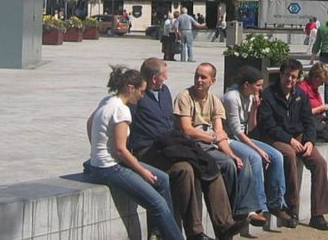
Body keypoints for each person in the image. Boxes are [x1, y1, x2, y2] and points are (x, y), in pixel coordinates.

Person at [128, 58, 242, 240]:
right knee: (185, 169)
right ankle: (195, 232)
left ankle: (224, 224)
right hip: (149, 150)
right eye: (163, 76)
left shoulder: (164, 92)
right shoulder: (137, 97)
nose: (166, 79)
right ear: (155, 78)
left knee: (208, 163)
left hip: (171, 145)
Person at [83, 65, 183, 240]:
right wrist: (143, 171)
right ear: (131, 88)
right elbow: (121, 150)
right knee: (158, 204)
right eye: (141, 91)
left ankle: (159, 232)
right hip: (110, 168)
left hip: (102, 163)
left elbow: (89, 123)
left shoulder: (107, 101)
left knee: (163, 179)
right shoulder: (122, 110)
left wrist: (95, 152)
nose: (142, 95)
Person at [173, 63, 265, 227]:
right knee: (228, 164)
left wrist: (231, 154)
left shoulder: (214, 100)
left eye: (203, 77)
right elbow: (188, 130)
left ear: (213, 81)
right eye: (197, 76)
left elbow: (220, 133)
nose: (199, 80)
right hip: (191, 145)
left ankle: (245, 210)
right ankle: (234, 212)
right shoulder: (184, 97)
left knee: (239, 162)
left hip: (210, 143)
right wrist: (213, 138)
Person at [253, 58, 328, 231]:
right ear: (280, 74)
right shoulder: (269, 95)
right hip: (276, 138)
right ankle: (292, 207)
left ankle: (318, 214)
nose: (289, 80)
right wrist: (289, 140)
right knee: (289, 155)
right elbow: (268, 125)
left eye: (293, 77)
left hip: (299, 137)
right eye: (286, 75)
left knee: (319, 163)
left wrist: (310, 142)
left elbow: (309, 121)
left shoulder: (301, 95)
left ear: (298, 78)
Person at [222, 66, 293, 227]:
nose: (261, 88)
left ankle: (276, 202)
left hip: (243, 137)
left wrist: (254, 108)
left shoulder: (250, 97)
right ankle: (259, 205)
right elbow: (236, 131)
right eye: (258, 85)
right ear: (247, 84)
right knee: (255, 157)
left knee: (276, 156)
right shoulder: (232, 97)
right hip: (230, 139)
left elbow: (251, 128)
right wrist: (258, 149)